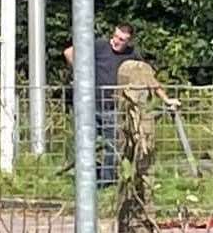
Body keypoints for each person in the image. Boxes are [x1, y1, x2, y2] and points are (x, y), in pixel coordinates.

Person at [64, 23, 179, 187]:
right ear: (113, 34)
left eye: (123, 40)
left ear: (129, 41)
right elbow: (69, 52)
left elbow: (148, 77)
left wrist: (166, 99)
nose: (118, 42)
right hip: (89, 106)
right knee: (84, 144)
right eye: (117, 37)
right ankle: (83, 182)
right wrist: (80, 73)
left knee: (113, 147)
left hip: (113, 108)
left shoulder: (132, 54)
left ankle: (106, 183)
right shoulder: (99, 46)